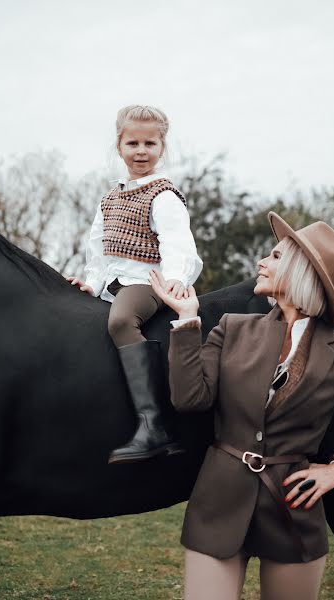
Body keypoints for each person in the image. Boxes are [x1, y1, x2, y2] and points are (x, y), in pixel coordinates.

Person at [149, 211, 334, 600]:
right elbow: (190, 399)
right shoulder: (231, 327)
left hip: (293, 513)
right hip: (218, 506)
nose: (261, 262)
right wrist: (188, 322)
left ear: (302, 271)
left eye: (274, 256)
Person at [66, 105, 202, 464]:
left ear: (162, 148)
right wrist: (92, 284)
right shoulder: (110, 198)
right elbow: (99, 249)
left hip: (148, 281)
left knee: (121, 321)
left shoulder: (163, 194)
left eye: (150, 143)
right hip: (116, 282)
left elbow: (178, 243)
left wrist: (173, 281)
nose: (141, 151)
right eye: (133, 143)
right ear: (119, 146)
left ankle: (154, 424)